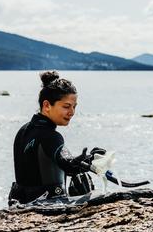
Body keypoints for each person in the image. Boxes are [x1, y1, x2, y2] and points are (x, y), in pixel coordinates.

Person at [8, 71, 102, 205]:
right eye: (66, 106)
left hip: (19, 204)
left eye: (74, 107)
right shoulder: (51, 136)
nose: (72, 112)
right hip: (45, 208)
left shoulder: (24, 130)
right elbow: (68, 164)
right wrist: (91, 159)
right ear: (47, 105)